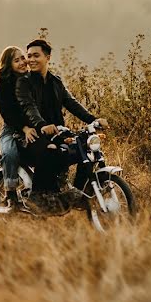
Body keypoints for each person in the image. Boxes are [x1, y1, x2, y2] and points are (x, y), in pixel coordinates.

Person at [16, 38, 109, 194]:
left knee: (85, 148)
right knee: (52, 152)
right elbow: (29, 107)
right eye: (29, 56)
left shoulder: (55, 82)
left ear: (47, 57)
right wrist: (41, 125)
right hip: (31, 136)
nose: (31, 60)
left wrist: (94, 120)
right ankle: (39, 197)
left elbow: (71, 103)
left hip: (56, 132)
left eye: (36, 56)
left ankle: (79, 193)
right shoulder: (24, 82)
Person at [0, 46, 38, 212]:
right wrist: (24, 128)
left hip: (33, 127)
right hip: (12, 129)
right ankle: (10, 194)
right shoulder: (4, 87)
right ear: (8, 64)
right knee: (10, 153)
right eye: (16, 60)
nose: (22, 62)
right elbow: (8, 115)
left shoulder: (31, 79)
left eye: (22, 58)